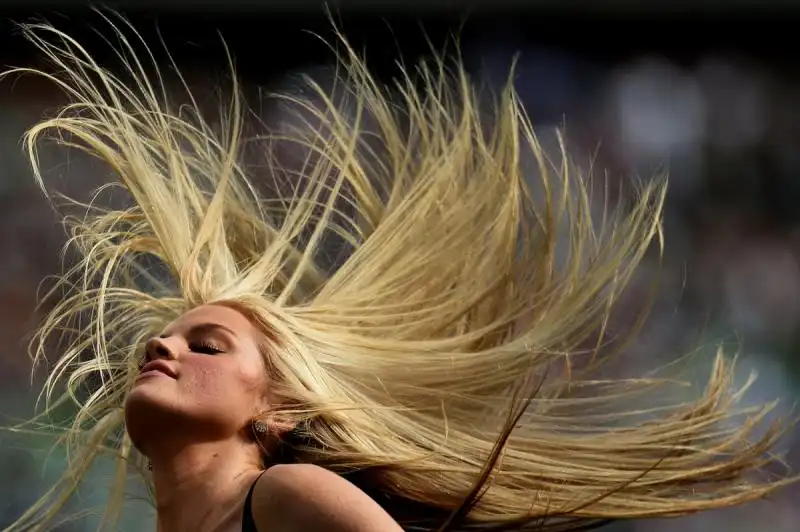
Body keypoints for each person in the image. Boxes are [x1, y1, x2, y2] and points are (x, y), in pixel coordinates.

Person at [3, 14, 795, 532]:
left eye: (206, 345)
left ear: (272, 413)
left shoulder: (283, 498)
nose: (164, 348)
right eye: (167, 338)